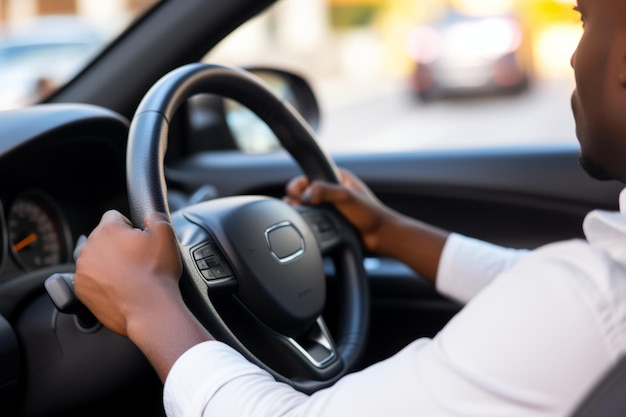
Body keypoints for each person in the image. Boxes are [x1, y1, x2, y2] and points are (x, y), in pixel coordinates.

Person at [73, 0, 626, 415]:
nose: (577, 53)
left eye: (583, 19)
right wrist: (390, 232)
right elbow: (529, 287)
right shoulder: (596, 287)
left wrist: (149, 306)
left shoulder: (592, 301)